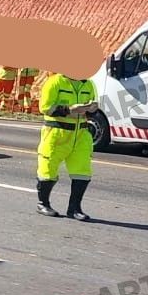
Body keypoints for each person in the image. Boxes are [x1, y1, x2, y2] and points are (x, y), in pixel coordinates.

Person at [36, 71, 99, 220]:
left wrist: (92, 109)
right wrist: (69, 110)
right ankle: (43, 204)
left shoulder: (88, 84)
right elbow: (45, 107)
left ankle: (75, 208)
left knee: (82, 172)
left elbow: (93, 110)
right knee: (48, 169)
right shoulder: (54, 82)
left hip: (81, 134)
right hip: (56, 134)